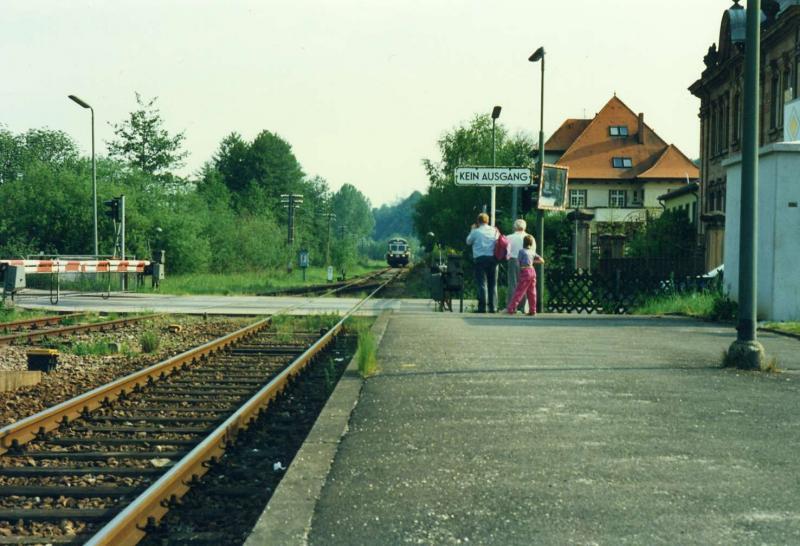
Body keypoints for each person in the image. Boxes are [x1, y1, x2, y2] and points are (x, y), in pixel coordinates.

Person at [466, 212, 499, 313]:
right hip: (493, 259)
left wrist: (471, 230)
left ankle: (482, 307)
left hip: (480, 259)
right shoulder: (494, 230)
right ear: (487, 221)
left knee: (482, 284)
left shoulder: (476, 231)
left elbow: (468, 242)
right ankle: (493, 307)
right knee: (492, 284)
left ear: (478, 221)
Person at [506, 234, 543, 316]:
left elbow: (519, 261)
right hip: (532, 270)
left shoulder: (522, 251)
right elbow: (542, 260)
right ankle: (533, 310)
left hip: (525, 270)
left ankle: (511, 308)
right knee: (532, 292)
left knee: (519, 291)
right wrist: (532, 262)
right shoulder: (532, 252)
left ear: (524, 243)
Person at [505, 219, 532, 313]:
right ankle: (523, 306)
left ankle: (511, 306)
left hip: (513, 260)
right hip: (526, 262)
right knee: (524, 284)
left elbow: (506, 250)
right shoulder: (529, 237)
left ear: (515, 227)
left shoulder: (509, 237)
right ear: (525, 227)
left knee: (512, 284)